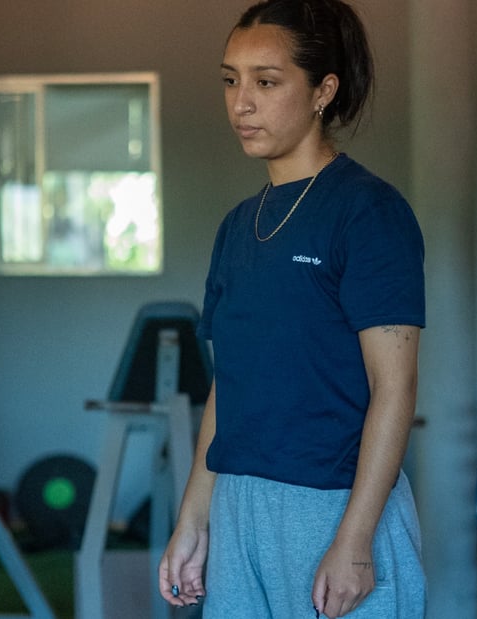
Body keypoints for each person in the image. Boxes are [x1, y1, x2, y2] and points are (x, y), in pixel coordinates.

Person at [158, 1, 426, 617]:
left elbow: (395, 387)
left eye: (267, 82)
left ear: (322, 91)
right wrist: (194, 517)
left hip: (333, 507)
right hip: (236, 503)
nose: (242, 103)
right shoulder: (237, 227)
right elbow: (230, 386)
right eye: (231, 80)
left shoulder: (368, 213)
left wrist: (356, 539)